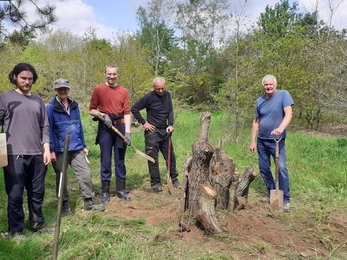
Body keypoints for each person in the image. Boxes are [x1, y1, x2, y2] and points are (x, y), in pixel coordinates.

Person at [0, 63, 53, 236]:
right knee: (15, 194)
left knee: (37, 193)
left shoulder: (38, 100)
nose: (27, 82)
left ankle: (38, 224)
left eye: (30, 79)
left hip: (37, 154)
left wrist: (46, 149)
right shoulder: (5, 98)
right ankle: (16, 231)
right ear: (15, 77)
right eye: (23, 78)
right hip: (14, 154)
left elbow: (44, 127)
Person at [46, 78, 105, 214]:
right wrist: (51, 150)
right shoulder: (50, 108)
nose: (63, 91)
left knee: (85, 173)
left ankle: (88, 202)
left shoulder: (74, 106)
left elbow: (79, 127)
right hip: (60, 150)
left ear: (68, 89)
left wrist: (83, 145)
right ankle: (64, 204)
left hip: (76, 148)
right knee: (62, 177)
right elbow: (48, 130)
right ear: (55, 90)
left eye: (65, 88)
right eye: (60, 89)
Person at [249, 75, 293, 212]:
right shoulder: (259, 101)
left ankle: (285, 199)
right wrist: (253, 141)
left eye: (270, 84)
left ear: (275, 84)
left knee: (281, 168)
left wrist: (280, 128)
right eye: (266, 85)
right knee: (264, 168)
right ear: (263, 86)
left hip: (277, 141)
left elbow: (288, 114)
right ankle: (272, 191)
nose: (268, 87)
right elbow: (256, 122)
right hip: (262, 140)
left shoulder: (283, 95)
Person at [89, 64, 131, 202]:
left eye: (114, 74)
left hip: (120, 127)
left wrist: (128, 133)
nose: (112, 76)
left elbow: (127, 113)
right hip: (105, 128)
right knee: (105, 160)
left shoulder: (123, 91)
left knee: (120, 160)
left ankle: (120, 190)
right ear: (105, 73)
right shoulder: (98, 90)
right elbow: (91, 109)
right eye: (109, 74)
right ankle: (105, 192)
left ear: (118, 74)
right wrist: (102, 114)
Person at [131, 77, 180, 192]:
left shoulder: (167, 95)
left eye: (162, 88)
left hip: (165, 130)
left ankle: (174, 180)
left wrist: (171, 124)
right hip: (152, 132)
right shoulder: (149, 97)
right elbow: (134, 109)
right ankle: (155, 183)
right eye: (158, 89)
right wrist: (144, 123)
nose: (161, 91)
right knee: (153, 158)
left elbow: (170, 110)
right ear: (154, 87)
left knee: (170, 157)